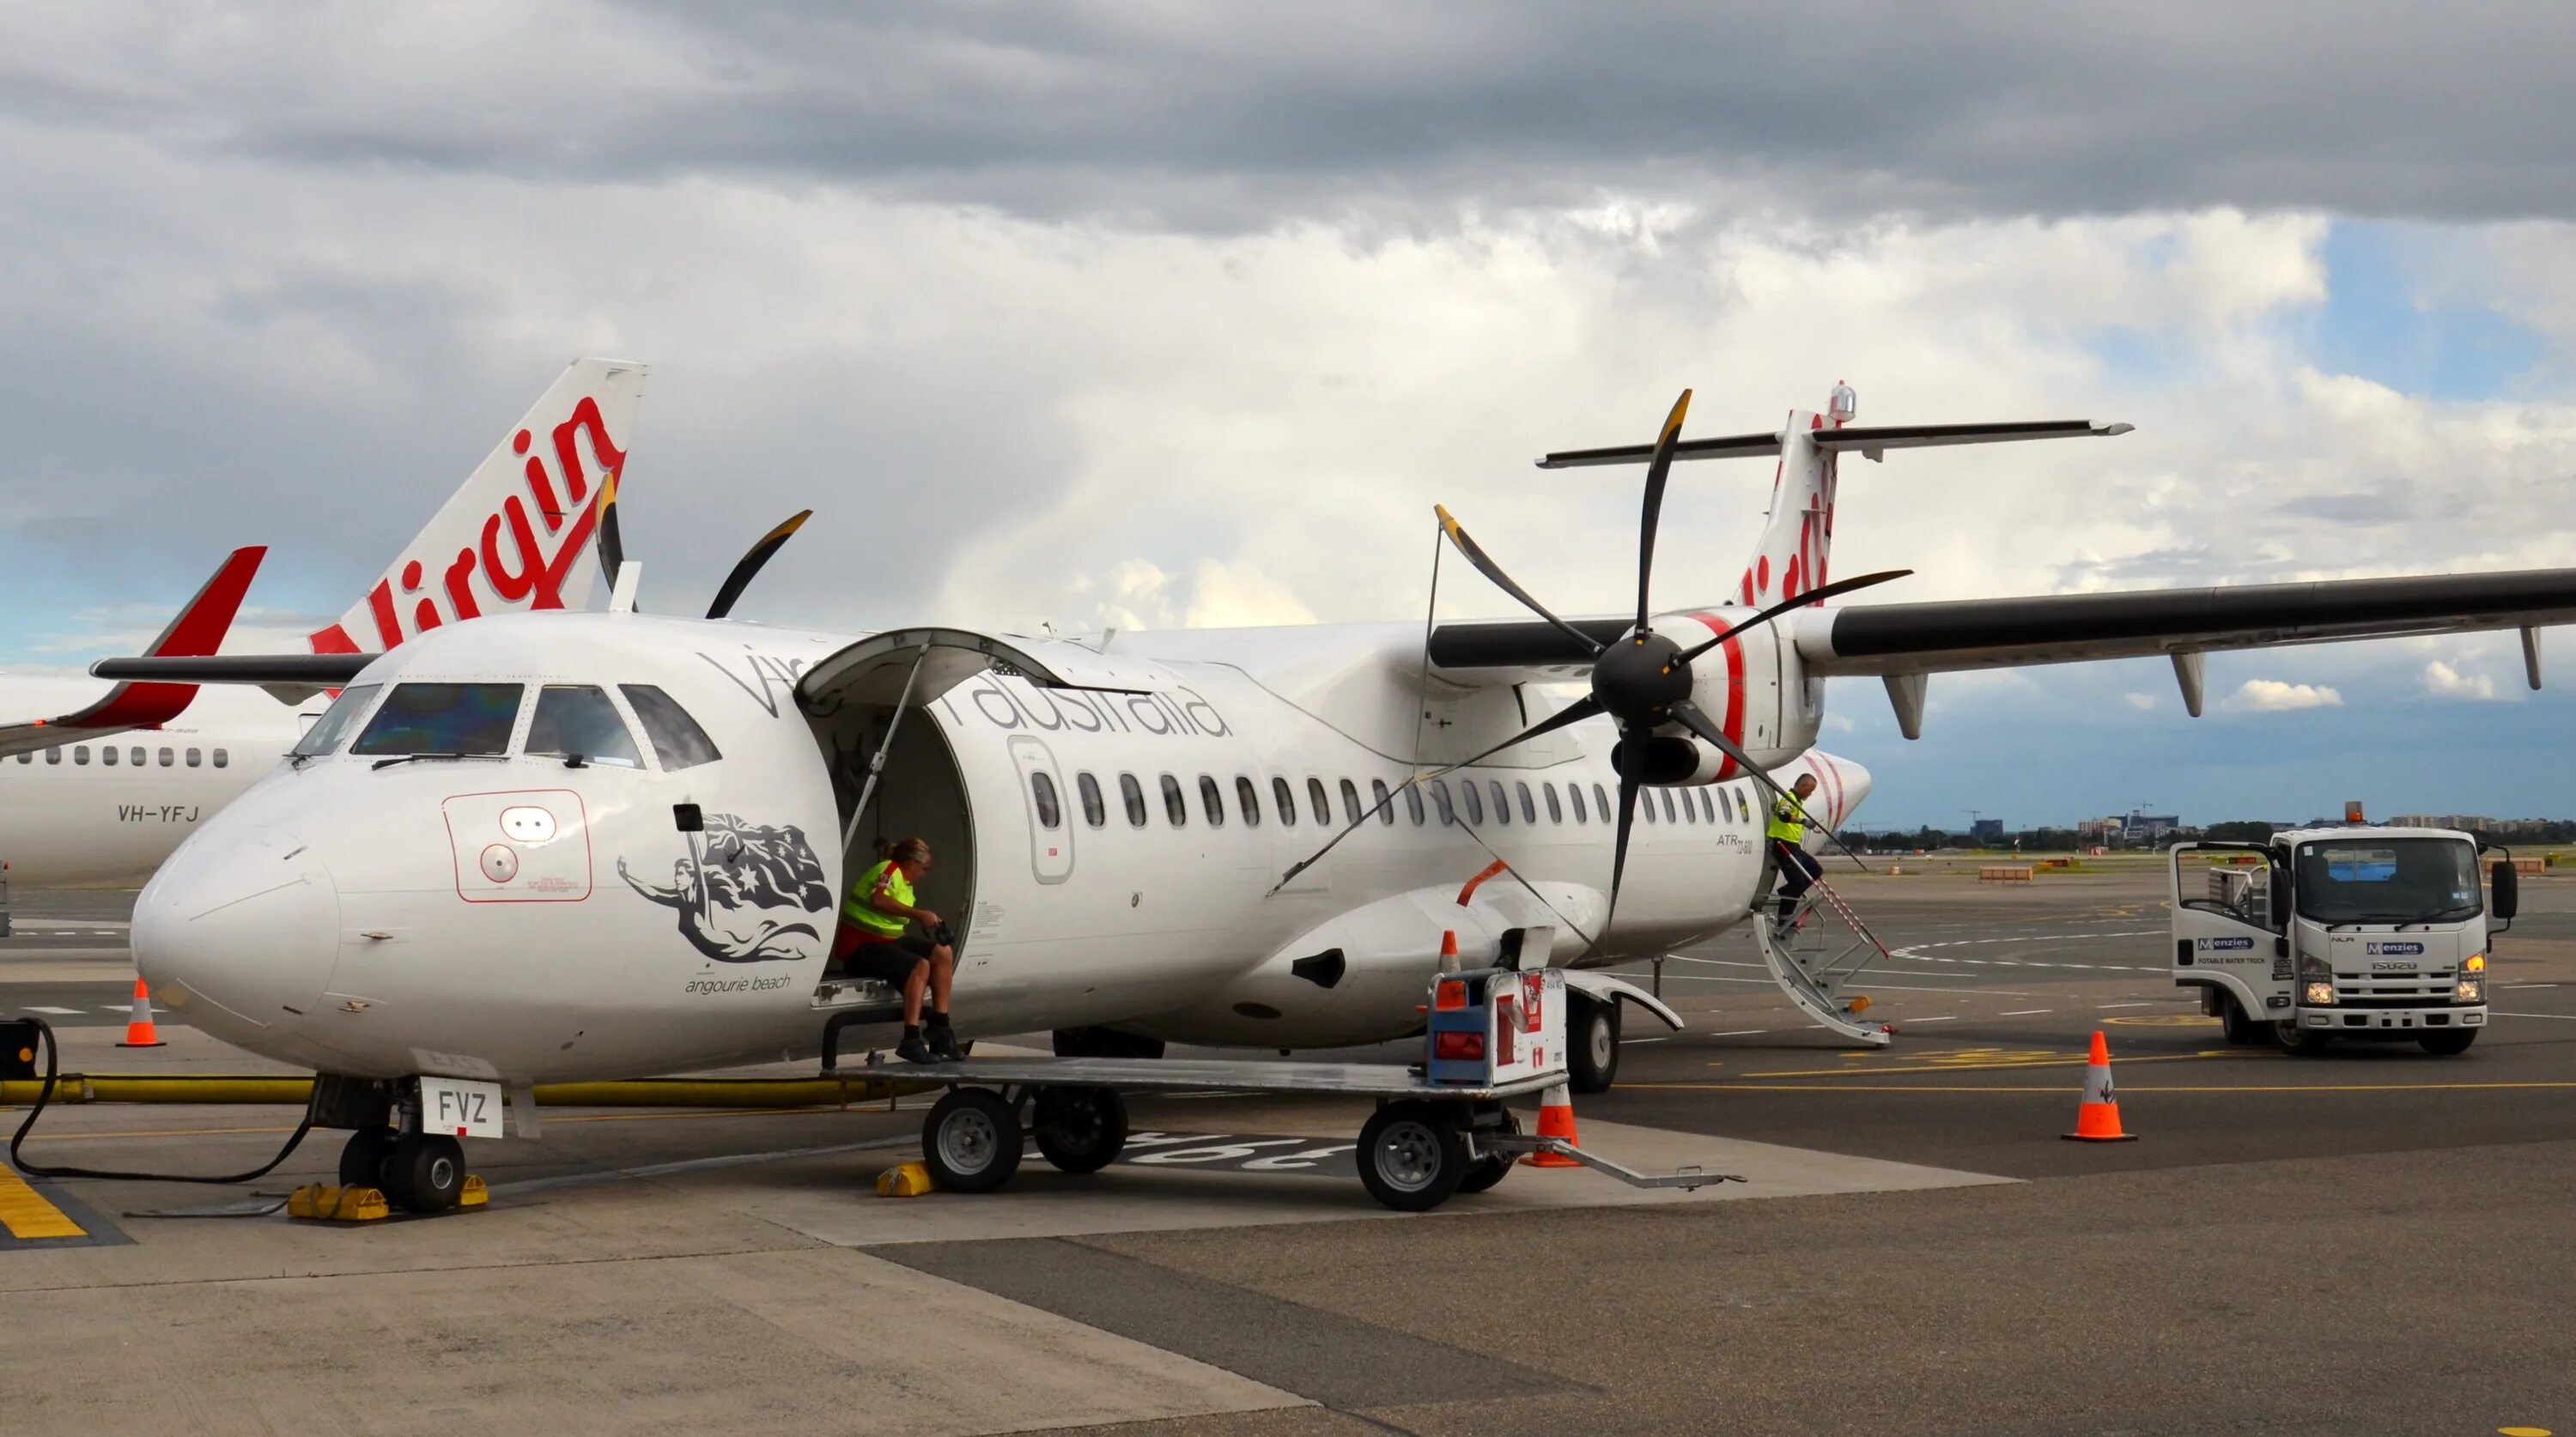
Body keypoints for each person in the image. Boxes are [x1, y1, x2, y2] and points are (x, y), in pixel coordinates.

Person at [832, 837, 959, 1064]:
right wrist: (919, 915)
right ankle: (911, 1040)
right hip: (860, 946)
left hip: (887, 940)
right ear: (911, 863)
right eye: (924, 868)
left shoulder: (905, 883)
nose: (924, 874)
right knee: (920, 966)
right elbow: (879, 900)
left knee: (943, 952)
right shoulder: (890, 870)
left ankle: (941, 1026)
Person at [1766, 774, 1825, 929]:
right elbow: (1783, 815)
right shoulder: (1789, 799)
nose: (1810, 793)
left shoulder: (1797, 802)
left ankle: (1787, 891)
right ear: (1802, 786)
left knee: (1815, 870)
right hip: (1782, 844)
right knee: (1797, 881)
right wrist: (1802, 821)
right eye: (1810, 790)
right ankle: (1784, 917)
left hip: (1794, 846)